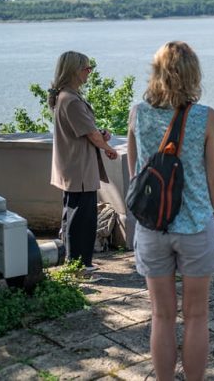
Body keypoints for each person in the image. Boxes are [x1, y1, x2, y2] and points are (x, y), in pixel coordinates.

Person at [127, 41, 214, 381]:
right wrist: (206, 212)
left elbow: (135, 173)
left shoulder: (138, 113)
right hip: (195, 225)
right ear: (193, 74)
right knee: (196, 316)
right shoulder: (206, 117)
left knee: (162, 316)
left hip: (152, 227)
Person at [49, 51, 118, 271]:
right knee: (83, 218)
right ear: (74, 71)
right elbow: (91, 135)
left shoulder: (65, 97)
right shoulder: (71, 100)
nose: (89, 72)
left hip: (72, 166)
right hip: (79, 168)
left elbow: (86, 130)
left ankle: (75, 261)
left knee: (73, 215)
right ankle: (81, 264)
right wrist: (108, 148)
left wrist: (99, 134)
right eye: (87, 68)